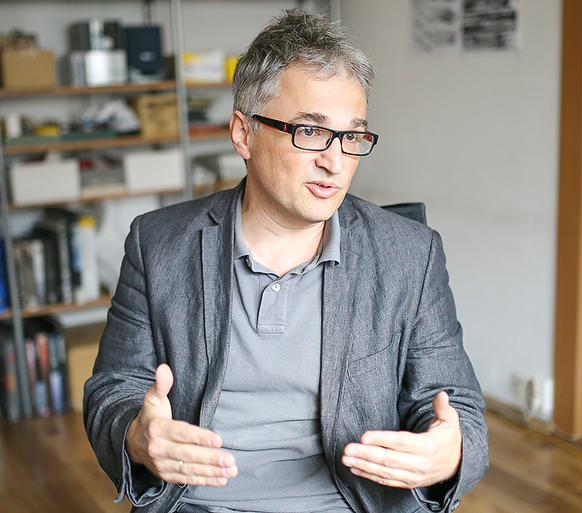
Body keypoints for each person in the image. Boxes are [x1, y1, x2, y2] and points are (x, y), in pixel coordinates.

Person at [84, 9, 488, 513]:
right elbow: (113, 390)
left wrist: (448, 453)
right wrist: (137, 434)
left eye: (352, 136)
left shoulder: (409, 254)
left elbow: (457, 409)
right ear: (243, 134)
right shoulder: (159, 244)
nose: (335, 161)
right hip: (199, 503)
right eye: (310, 131)